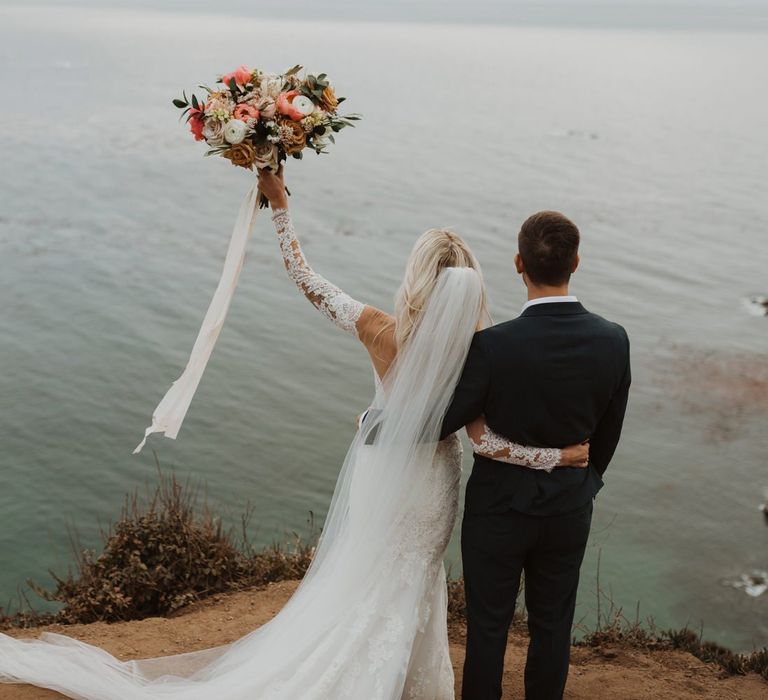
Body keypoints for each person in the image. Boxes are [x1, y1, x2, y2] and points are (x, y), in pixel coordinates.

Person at [0, 169, 589, 699]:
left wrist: (279, 205)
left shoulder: (378, 329)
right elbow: (485, 439)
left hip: (382, 475)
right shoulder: (478, 351)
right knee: (413, 576)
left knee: (370, 570)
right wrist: (558, 456)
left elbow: (304, 276)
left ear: (416, 279)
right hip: (435, 483)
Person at [441, 210, 631, 700]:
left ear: (518, 263)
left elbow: (439, 421)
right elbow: (609, 432)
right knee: (552, 626)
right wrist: (581, 482)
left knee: (487, 628)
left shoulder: (491, 347)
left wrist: (377, 424)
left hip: (498, 510)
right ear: (577, 262)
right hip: (569, 508)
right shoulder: (614, 340)